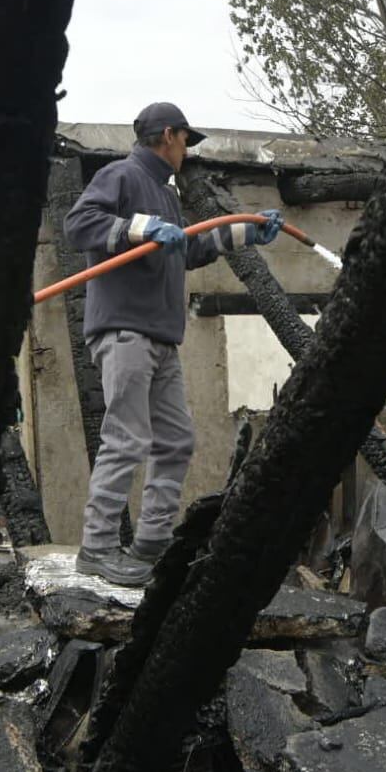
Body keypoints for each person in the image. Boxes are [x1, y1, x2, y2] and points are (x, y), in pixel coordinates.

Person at [65, 102, 283, 586]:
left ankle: (151, 544)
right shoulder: (122, 176)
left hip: (161, 339)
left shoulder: (166, 195)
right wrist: (137, 227)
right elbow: (79, 225)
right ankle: (97, 548)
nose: (188, 150)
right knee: (127, 438)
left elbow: (193, 249)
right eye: (187, 140)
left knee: (176, 441)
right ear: (169, 135)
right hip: (125, 332)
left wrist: (248, 232)